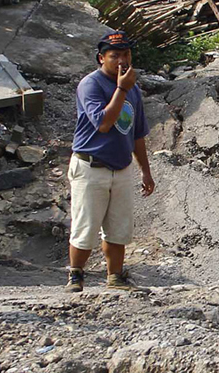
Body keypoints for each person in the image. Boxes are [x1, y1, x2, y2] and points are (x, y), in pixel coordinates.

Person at [67, 31, 156, 293]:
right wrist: (121, 88)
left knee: (118, 229)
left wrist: (146, 172)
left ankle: (115, 277)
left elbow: (137, 134)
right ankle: (75, 276)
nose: (121, 61)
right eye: (114, 55)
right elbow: (104, 123)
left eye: (126, 54)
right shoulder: (91, 85)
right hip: (91, 165)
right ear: (101, 58)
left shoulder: (133, 89)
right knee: (86, 227)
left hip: (121, 167)